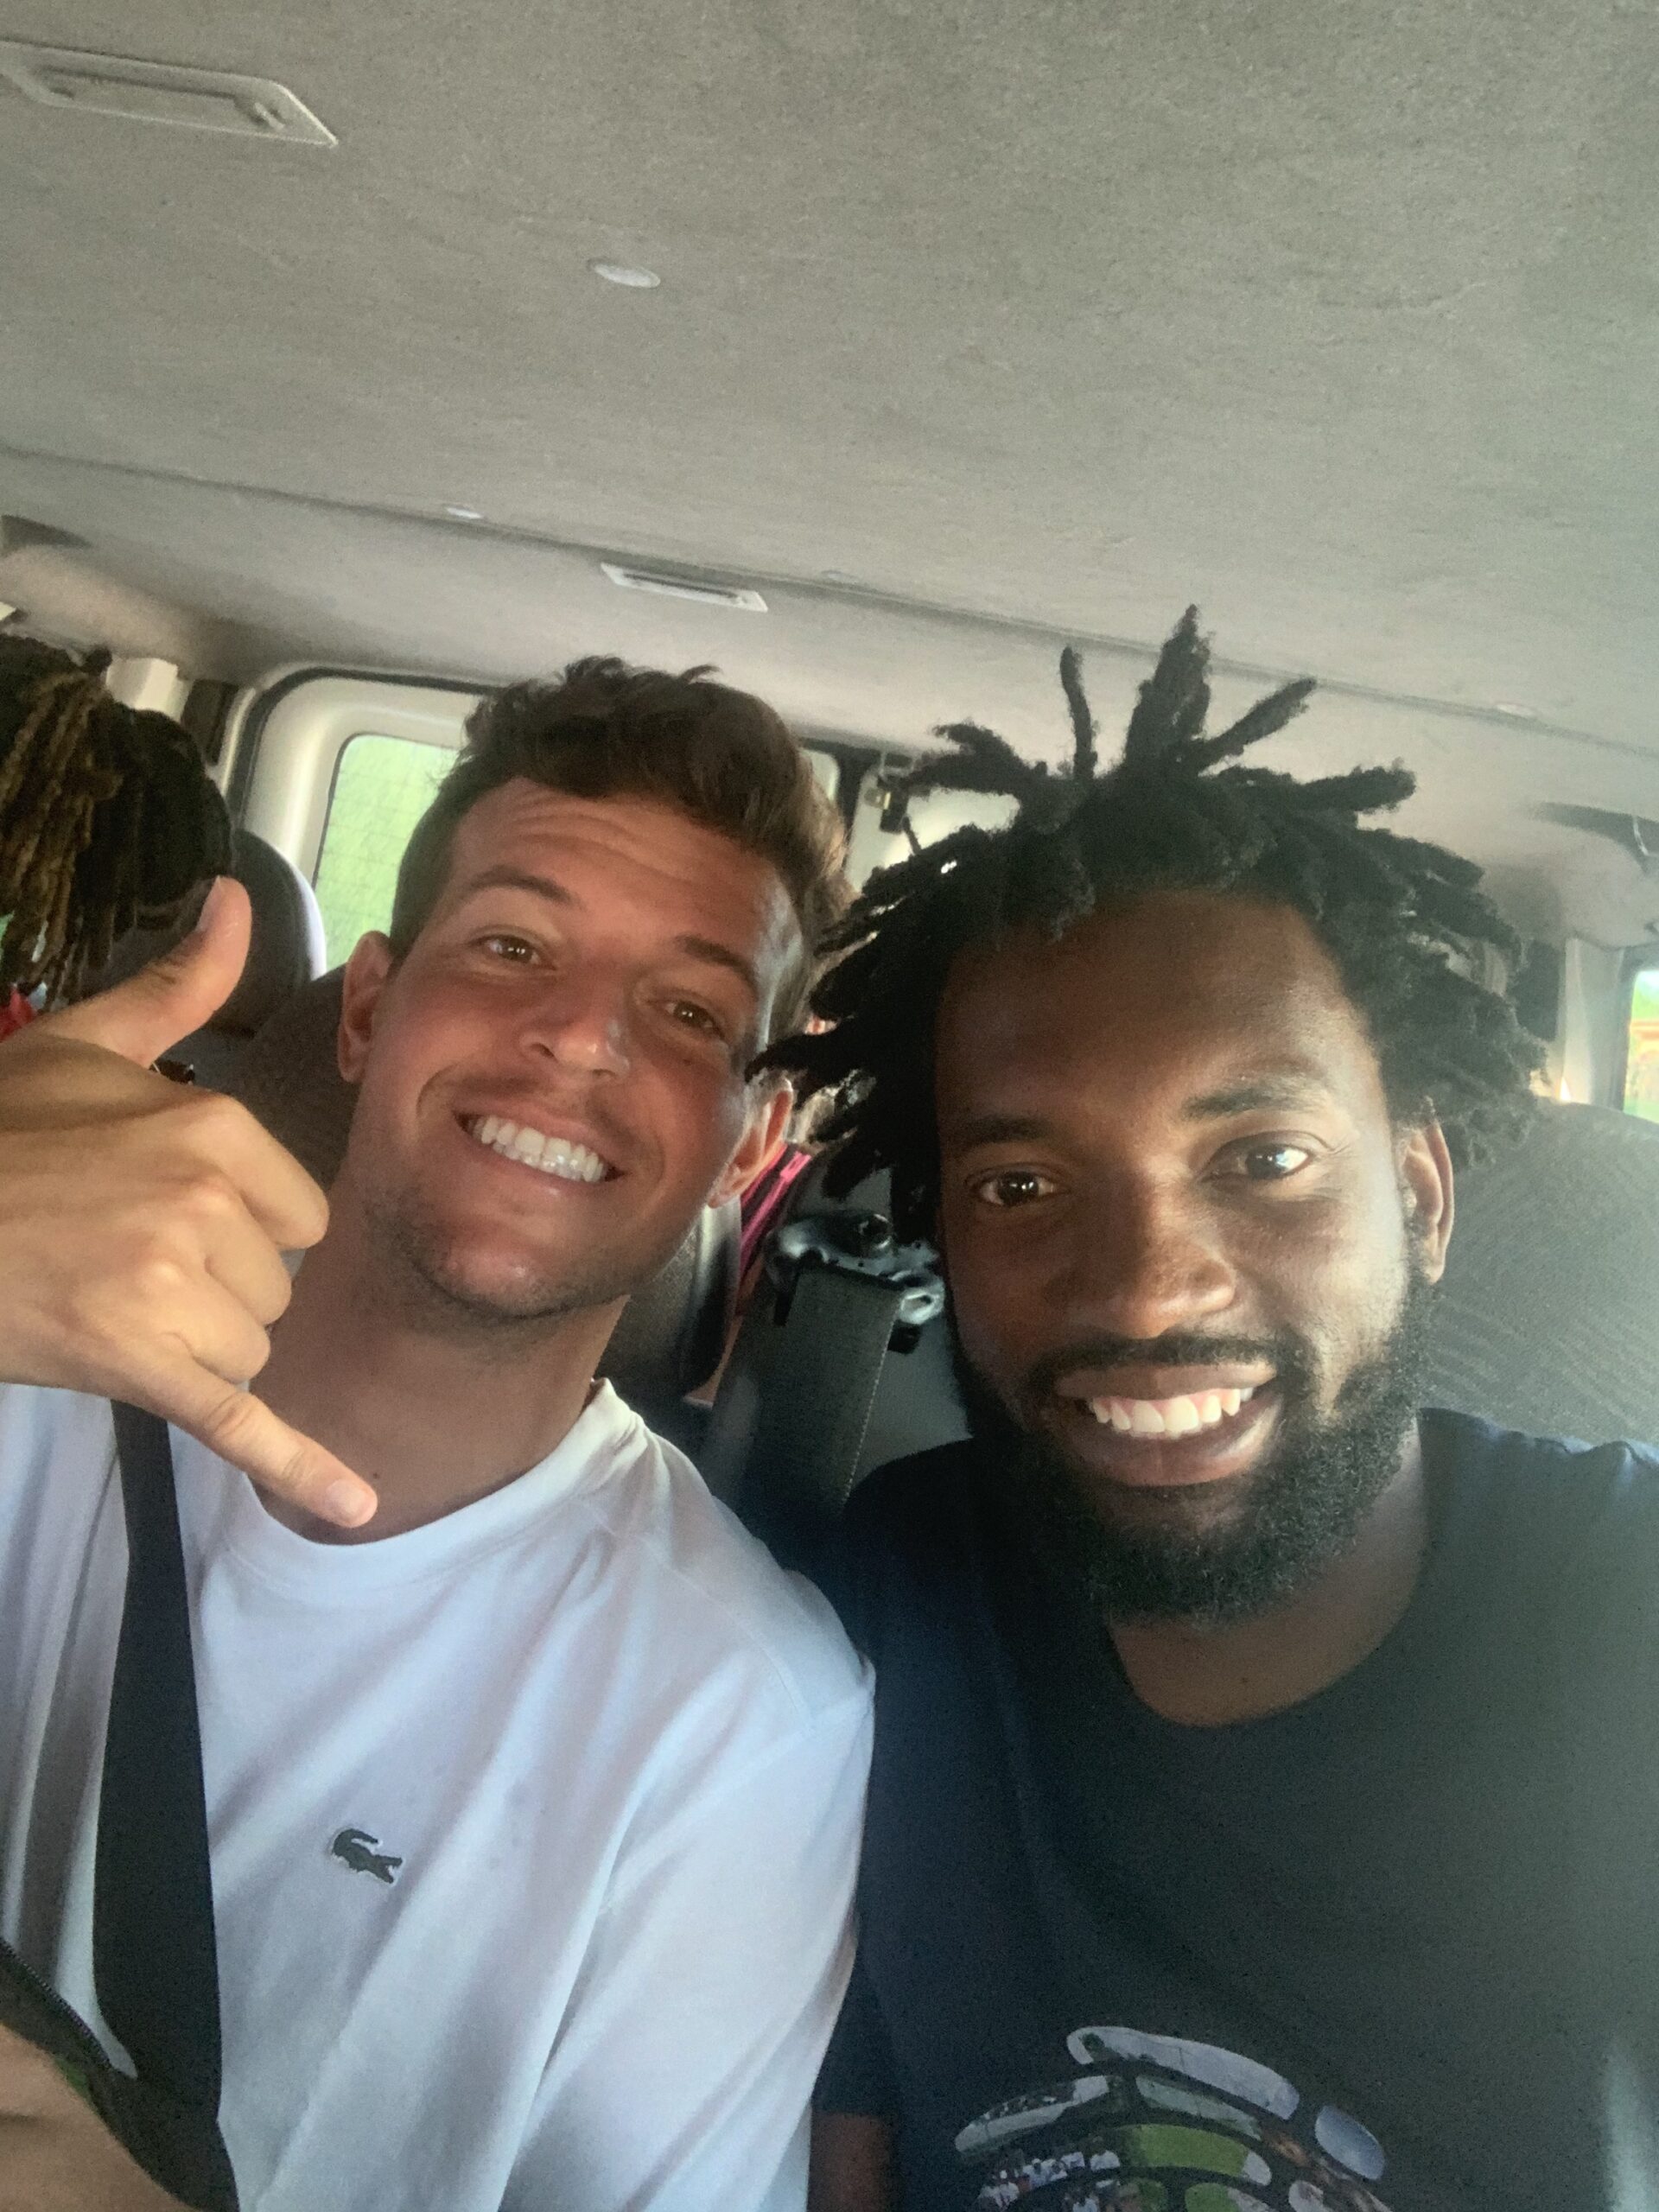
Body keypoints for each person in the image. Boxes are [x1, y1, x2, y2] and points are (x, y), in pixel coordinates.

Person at [772, 613, 1659, 2212]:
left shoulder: (1626, 1612)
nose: (1144, 1290)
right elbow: (859, 2137)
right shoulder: (904, 1590)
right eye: (1022, 1184)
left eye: (1262, 1159)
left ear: (1419, 1195)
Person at [0, 659, 872, 2211]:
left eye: (687, 1010)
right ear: (365, 1010)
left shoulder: (741, 1717)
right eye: (512, 945)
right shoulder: (26, 1359)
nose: (580, 1036)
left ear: (751, 1145)